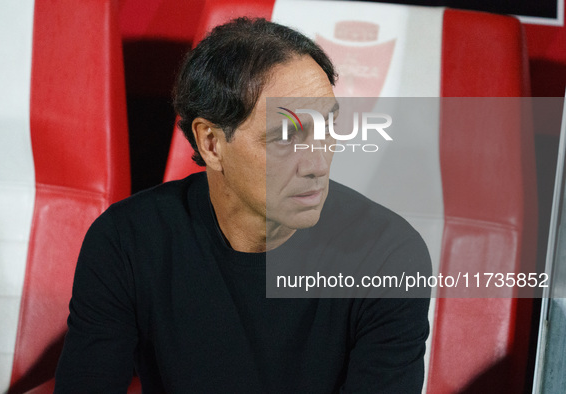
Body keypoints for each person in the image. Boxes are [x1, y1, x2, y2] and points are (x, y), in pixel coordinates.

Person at [55, 17, 431, 393]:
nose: (318, 164)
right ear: (211, 144)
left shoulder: (390, 257)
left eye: (329, 127)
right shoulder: (126, 243)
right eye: (285, 137)